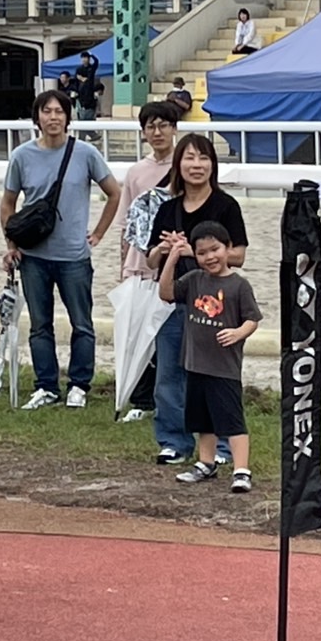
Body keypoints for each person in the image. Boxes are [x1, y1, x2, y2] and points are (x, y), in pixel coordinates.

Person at [0, 89, 121, 410]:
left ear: (68, 116)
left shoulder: (85, 153)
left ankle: (79, 385)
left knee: (82, 324)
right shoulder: (21, 156)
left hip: (74, 257)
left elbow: (114, 192)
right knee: (40, 326)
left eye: (59, 111)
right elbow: (8, 203)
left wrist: (98, 233)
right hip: (33, 256)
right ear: (37, 117)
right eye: (46, 111)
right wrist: (11, 245)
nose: (53, 117)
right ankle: (46, 386)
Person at [146, 134, 248, 466]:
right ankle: (174, 442)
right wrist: (164, 249)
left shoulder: (226, 206)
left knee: (215, 378)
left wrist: (195, 252)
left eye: (204, 158)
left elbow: (239, 255)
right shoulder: (167, 208)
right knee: (169, 376)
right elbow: (150, 259)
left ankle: (221, 447)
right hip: (175, 302)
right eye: (189, 158)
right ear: (178, 165)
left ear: (213, 165)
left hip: (216, 304)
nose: (197, 165)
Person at [157, 220, 260, 493]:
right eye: (202, 252)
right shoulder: (194, 280)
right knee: (202, 420)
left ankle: (241, 470)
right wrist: (172, 258)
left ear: (227, 248)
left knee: (232, 420)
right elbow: (165, 293)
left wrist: (238, 333)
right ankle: (206, 462)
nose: (210, 257)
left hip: (224, 368)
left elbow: (252, 319)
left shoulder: (239, 285)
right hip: (195, 364)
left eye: (215, 249)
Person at [116, 101, 181, 421]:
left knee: (169, 334)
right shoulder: (136, 172)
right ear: (143, 132)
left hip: (175, 262)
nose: (157, 132)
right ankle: (141, 400)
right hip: (140, 263)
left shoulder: (187, 166)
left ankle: (169, 398)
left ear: (174, 129)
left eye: (163, 125)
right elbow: (126, 224)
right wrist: (123, 268)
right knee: (138, 332)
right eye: (151, 127)